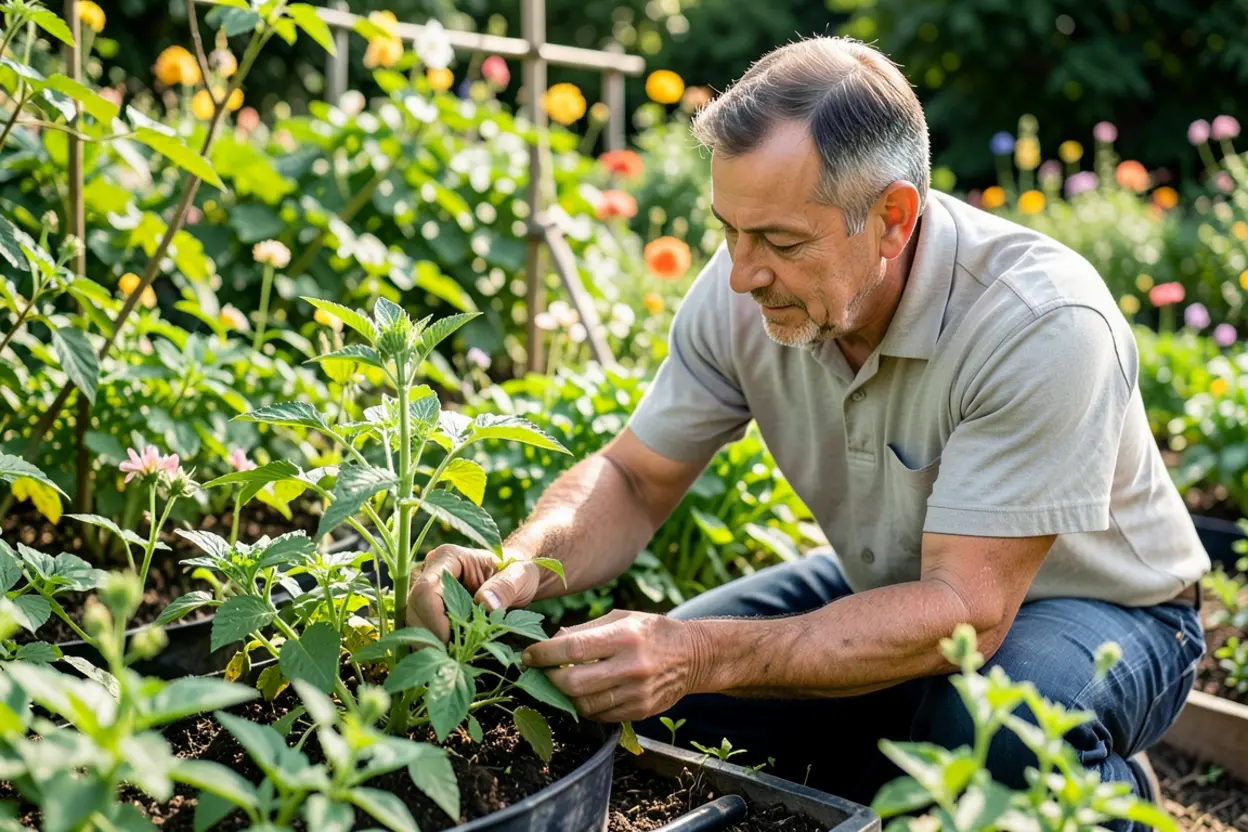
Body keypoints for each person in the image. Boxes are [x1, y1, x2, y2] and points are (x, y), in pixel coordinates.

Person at [406, 35, 1209, 823]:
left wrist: (702, 656)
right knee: (640, 709)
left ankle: (1111, 799)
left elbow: (967, 609)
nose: (741, 273)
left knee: (998, 733)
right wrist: (513, 568)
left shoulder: (1038, 322)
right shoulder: (747, 293)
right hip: (895, 589)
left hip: (1106, 612)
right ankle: (892, 761)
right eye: (729, 229)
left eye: (781, 242)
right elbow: (633, 478)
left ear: (893, 219)